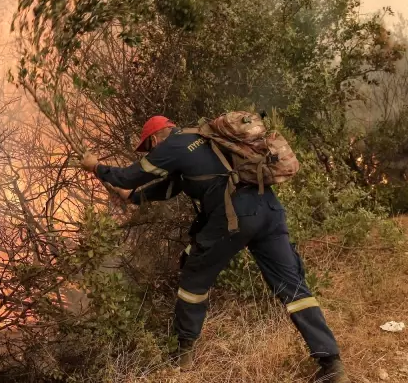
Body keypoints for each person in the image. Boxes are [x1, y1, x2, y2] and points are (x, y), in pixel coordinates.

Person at [80, 116, 349, 382]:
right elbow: (172, 186)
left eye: (149, 147)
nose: (152, 153)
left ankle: (182, 354)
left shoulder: (172, 145)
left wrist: (96, 167)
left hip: (236, 216)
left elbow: (129, 176)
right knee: (294, 288)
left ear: (153, 138)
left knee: (193, 278)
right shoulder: (204, 139)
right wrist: (136, 198)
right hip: (268, 209)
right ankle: (332, 364)